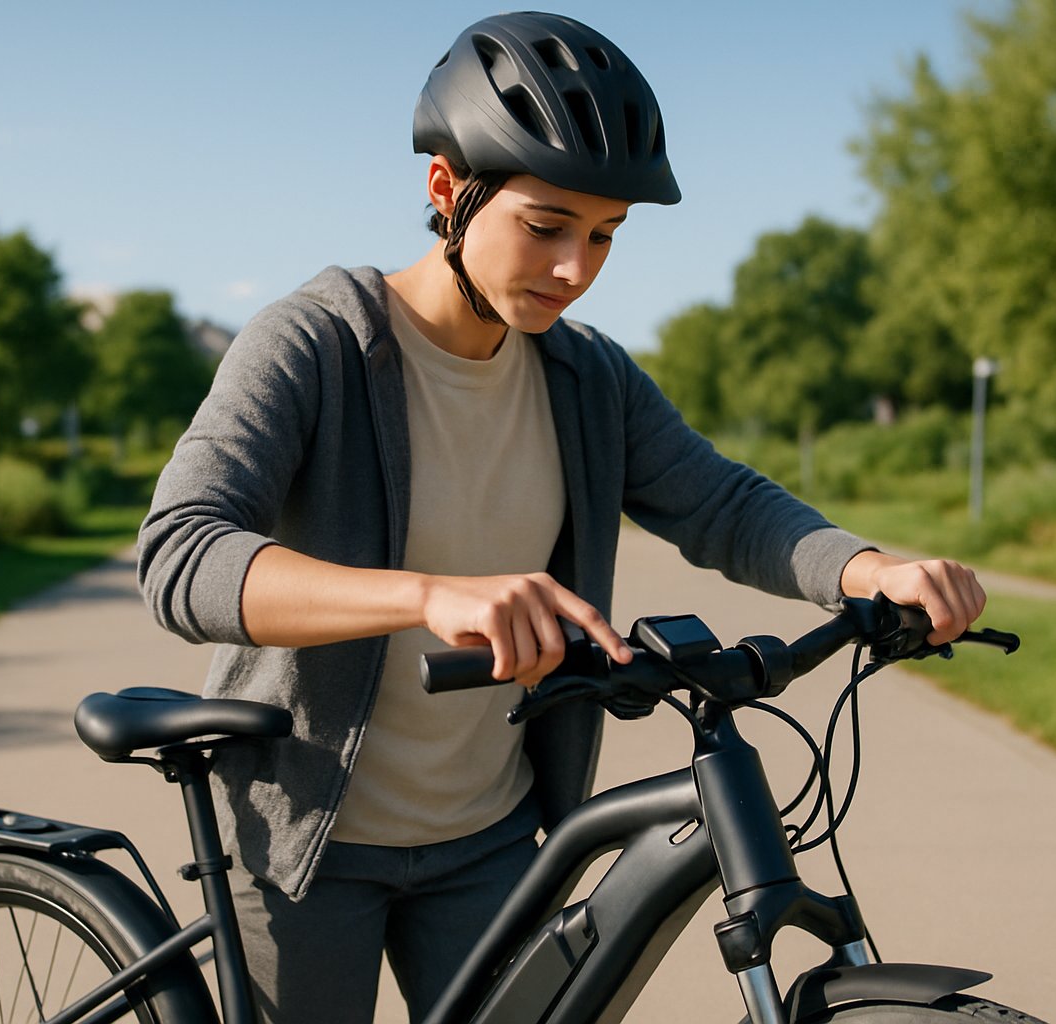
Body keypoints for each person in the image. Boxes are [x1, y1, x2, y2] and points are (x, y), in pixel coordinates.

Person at [138, 11, 984, 1023]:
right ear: (447, 191)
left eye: (605, 235)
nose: (576, 267)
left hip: (491, 839)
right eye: (546, 227)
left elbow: (719, 500)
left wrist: (869, 568)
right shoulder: (316, 343)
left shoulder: (589, 379)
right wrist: (425, 596)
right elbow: (183, 554)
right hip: (311, 838)